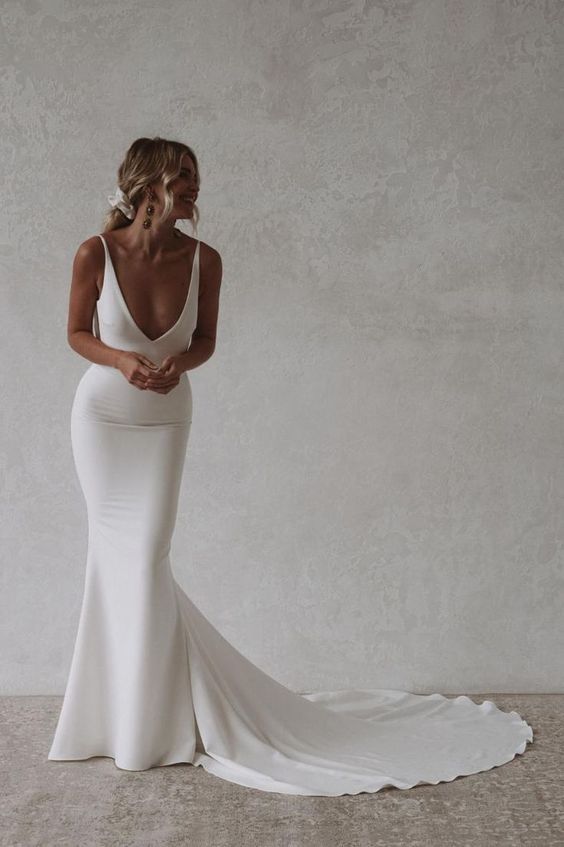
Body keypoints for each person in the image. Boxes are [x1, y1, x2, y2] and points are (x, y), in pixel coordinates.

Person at [48, 136, 533, 796]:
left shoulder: (205, 260)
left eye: (195, 175)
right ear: (147, 186)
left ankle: (148, 724)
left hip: (164, 422)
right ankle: (119, 721)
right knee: (113, 560)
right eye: (181, 176)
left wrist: (174, 366)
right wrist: (124, 361)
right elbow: (77, 332)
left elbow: (206, 340)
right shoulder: (94, 253)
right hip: (103, 422)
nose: (194, 186)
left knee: (145, 557)